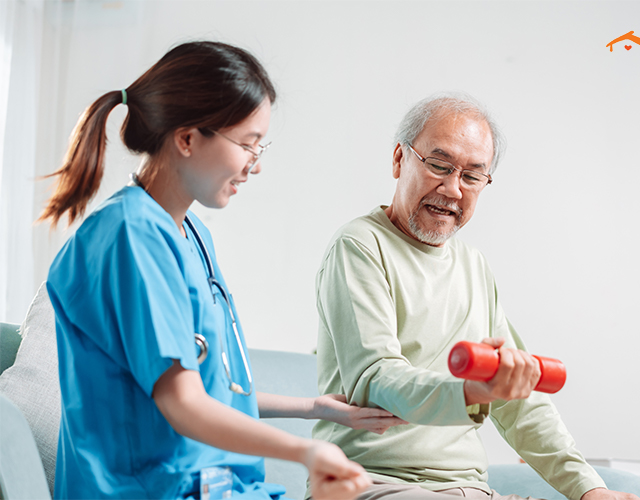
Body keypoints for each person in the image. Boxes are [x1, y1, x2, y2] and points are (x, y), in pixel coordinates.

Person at [40, 41, 404, 500]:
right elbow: (183, 404)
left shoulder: (191, 234)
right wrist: (305, 453)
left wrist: (315, 407)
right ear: (188, 138)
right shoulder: (129, 237)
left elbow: (213, 387)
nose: (255, 165)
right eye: (248, 144)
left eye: (260, 146)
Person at [313, 93, 640, 500]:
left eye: (472, 176)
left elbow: (519, 403)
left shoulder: (474, 266)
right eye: (439, 165)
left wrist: (589, 489)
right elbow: (377, 378)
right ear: (399, 159)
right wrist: (470, 392)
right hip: (370, 482)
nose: (452, 189)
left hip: (470, 490)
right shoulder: (359, 245)